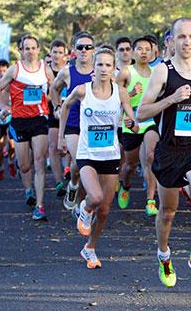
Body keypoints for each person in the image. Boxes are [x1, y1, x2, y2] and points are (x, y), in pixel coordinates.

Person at [137, 18, 191, 287]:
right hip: (170, 150)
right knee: (168, 212)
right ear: (172, 40)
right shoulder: (163, 71)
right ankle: (164, 255)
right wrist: (171, 99)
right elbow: (141, 112)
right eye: (181, 36)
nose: (187, 42)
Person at [59, 47, 139, 269]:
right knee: (94, 197)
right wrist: (61, 137)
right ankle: (83, 210)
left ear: (114, 69)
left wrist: (132, 124)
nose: (104, 69)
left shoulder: (121, 92)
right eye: (100, 64)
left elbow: (132, 122)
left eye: (108, 65)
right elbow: (64, 107)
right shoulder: (82, 91)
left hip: (110, 155)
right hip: (87, 154)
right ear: (93, 67)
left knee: (104, 210)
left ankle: (90, 248)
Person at [0, 35, 55, 221]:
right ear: (20, 51)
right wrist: (4, 107)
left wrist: (54, 104)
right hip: (19, 120)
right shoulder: (15, 70)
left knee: (39, 160)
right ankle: (28, 190)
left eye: (33, 48)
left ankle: (40, 205)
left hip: (39, 119)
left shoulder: (45, 69)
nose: (30, 51)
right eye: (26, 48)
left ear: (38, 50)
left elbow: (55, 89)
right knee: (24, 164)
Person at [50, 32, 96, 212]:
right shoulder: (67, 71)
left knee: (89, 166)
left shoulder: (100, 70)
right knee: (80, 161)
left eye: (88, 47)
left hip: (93, 126)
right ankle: (74, 187)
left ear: (94, 50)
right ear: (74, 50)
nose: (84, 50)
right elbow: (54, 89)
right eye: (80, 47)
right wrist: (57, 106)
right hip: (73, 124)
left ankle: (81, 202)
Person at [116, 37, 160, 216]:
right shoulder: (126, 72)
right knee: (130, 165)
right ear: (134, 52)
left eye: (147, 49)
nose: (143, 52)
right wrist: (130, 94)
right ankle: (125, 185)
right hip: (131, 121)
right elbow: (115, 98)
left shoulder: (157, 72)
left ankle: (150, 200)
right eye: (139, 49)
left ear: (152, 52)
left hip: (150, 120)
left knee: (151, 156)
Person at [47, 39, 68, 198]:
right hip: (51, 112)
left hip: (68, 112)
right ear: (50, 53)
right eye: (55, 52)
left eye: (60, 52)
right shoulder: (44, 71)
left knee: (67, 146)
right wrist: (55, 105)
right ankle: (59, 180)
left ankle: (68, 169)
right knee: (54, 146)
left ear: (65, 55)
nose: (57, 55)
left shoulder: (69, 71)